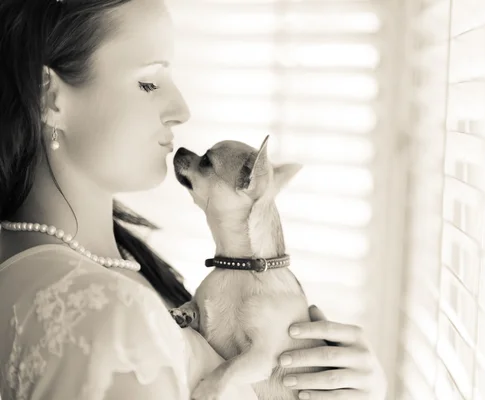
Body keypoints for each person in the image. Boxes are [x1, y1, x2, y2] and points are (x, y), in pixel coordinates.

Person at [0, 0, 387, 399]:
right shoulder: (105, 313)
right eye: (149, 82)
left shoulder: (114, 268)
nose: (181, 111)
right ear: (50, 96)